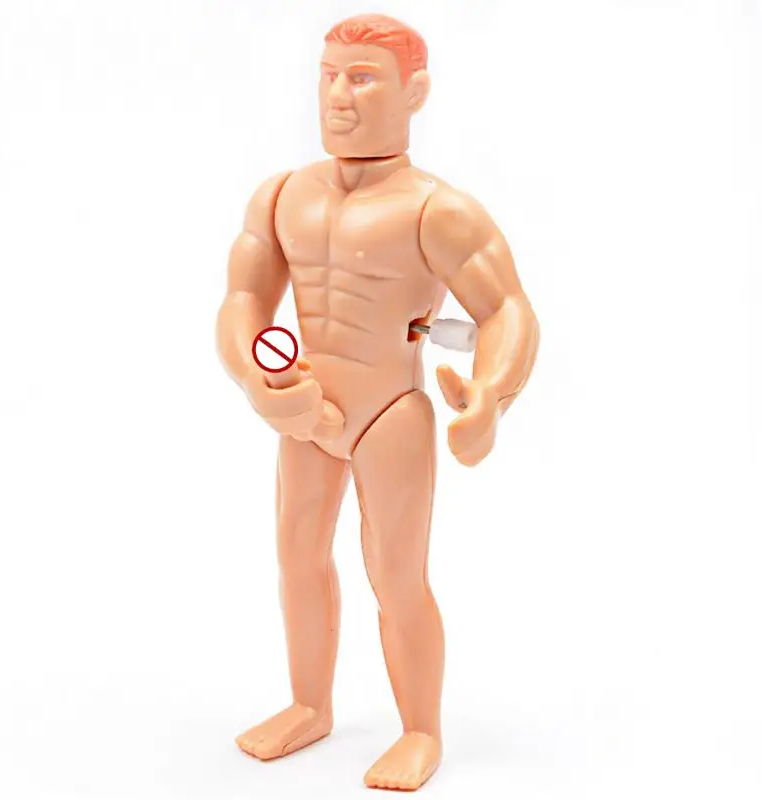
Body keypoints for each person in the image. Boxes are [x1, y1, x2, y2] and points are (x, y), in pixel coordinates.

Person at [216, 13, 539, 791]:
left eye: (362, 78)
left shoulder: (436, 209)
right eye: (328, 75)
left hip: (389, 412)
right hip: (305, 410)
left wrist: (490, 396)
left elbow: (507, 310)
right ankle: (309, 705)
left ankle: (420, 730)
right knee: (298, 557)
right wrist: (259, 383)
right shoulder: (282, 196)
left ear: (414, 92)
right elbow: (241, 303)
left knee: (395, 576)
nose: (338, 95)